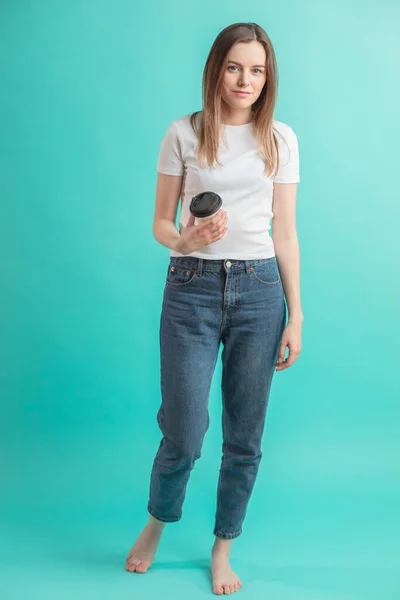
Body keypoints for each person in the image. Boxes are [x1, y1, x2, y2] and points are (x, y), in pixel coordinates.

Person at [125, 21, 303, 595]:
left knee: (244, 435)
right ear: (216, 70)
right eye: (234, 67)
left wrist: (296, 316)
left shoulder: (281, 138)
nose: (245, 79)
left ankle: (223, 545)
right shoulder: (184, 132)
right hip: (191, 287)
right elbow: (160, 221)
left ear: (267, 76)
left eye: (256, 69)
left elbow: (286, 234)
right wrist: (185, 241)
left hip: (259, 292)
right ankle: (157, 522)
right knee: (184, 429)